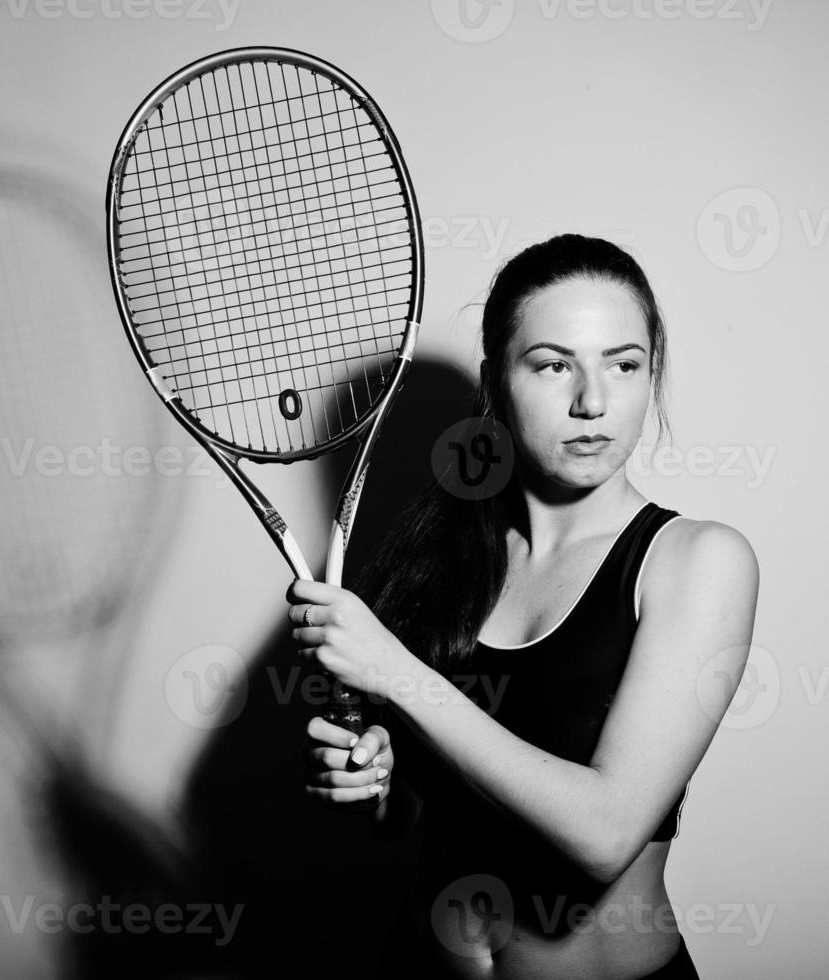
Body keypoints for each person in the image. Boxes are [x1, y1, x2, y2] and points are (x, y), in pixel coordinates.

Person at [287, 235, 760, 979]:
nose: (592, 401)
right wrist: (371, 783)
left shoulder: (696, 561)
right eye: (552, 364)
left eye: (624, 364)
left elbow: (603, 834)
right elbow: (414, 814)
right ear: (496, 383)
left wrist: (398, 676)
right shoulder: (436, 556)